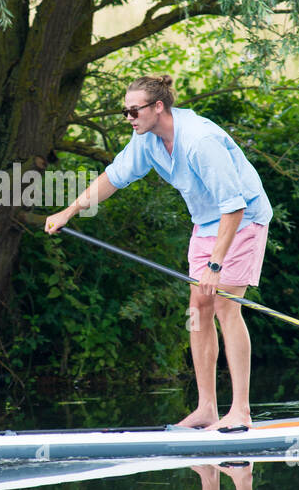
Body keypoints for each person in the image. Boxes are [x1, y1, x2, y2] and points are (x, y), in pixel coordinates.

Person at [44, 74, 273, 430]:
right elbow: (112, 178)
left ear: (158, 107)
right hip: (207, 222)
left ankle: (240, 410)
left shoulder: (200, 141)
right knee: (198, 308)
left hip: (243, 219)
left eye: (133, 111)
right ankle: (207, 409)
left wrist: (215, 265)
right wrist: (68, 212)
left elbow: (234, 206)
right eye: (126, 111)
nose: (129, 118)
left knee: (227, 306)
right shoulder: (147, 140)